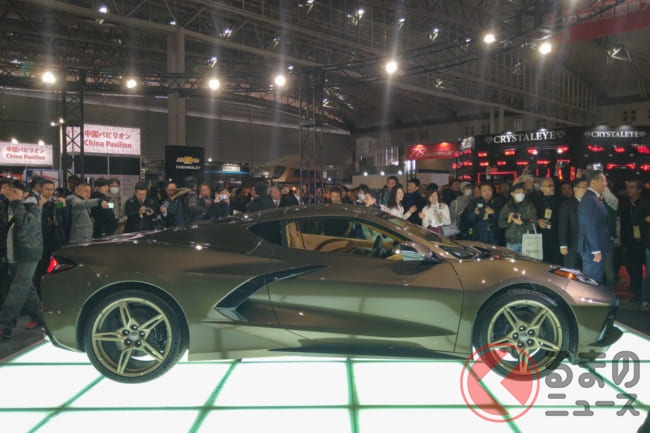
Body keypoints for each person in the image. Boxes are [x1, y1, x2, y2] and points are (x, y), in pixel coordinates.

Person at [0, 180, 43, 338]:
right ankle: (41, 317)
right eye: (9, 191)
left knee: (18, 288)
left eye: (15, 192)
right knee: (27, 289)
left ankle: (5, 325)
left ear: (25, 194)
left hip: (28, 254)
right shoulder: (4, 206)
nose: (11, 194)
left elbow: (25, 223)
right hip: (11, 254)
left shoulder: (34, 207)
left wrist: (16, 203)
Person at [618, 179, 650, 303]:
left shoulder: (646, 203)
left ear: (639, 190)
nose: (629, 190)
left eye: (632, 187)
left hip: (645, 241)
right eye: (628, 187)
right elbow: (623, 225)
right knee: (634, 270)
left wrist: (642, 221)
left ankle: (645, 297)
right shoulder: (625, 204)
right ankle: (637, 295)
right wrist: (623, 243)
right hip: (631, 242)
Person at [578, 169, 610, 284]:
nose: (606, 183)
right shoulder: (590, 200)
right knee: (591, 282)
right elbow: (590, 226)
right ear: (593, 182)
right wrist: (595, 250)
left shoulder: (593, 199)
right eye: (603, 181)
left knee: (594, 280)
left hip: (595, 248)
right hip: (592, 250)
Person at [498, 183, 537, 253]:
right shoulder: (506, 207)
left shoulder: (529, 207)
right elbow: (501, 224)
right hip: (511, 242)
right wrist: (508, 221)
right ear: (512, 194)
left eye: (522, 192)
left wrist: (522, 223)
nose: (521, 194)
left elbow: (534, 225)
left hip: (526, 242)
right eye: (518, 192)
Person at [558, 177, 587, 269]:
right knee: (572, 269)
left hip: (587, 244)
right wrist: (563, 244)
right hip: (573, 243)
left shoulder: (589, 203)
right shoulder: (567, 204)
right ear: (575, 189)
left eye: (587, 187)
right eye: (583, 187)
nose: (586, 190)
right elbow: (563, 225)